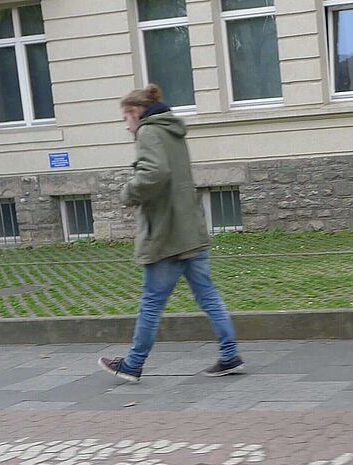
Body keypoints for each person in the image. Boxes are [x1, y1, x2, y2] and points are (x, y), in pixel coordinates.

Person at [99, 84, 246, 383]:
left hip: (166, 235)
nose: (125, 125)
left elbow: (155, 173)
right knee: (208, 296)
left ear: (136, 112)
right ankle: (229, 355)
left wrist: (130, 191)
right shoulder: (172, 130)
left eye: (125, 118)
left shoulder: (148, 132)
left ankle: (133, 364)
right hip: (190, 229)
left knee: (152, 302)